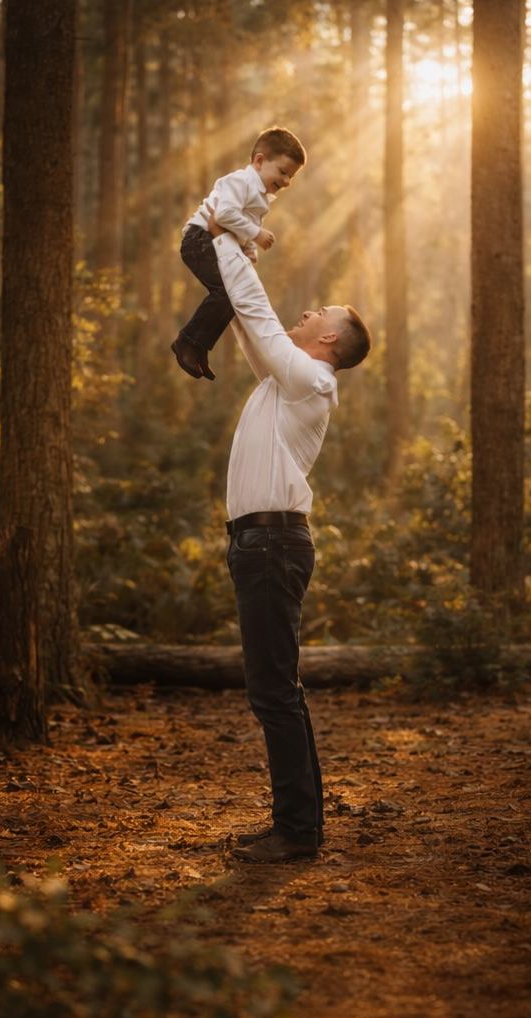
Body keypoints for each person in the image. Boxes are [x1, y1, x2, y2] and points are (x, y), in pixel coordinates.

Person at [202, 207, 372, 864]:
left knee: (274, 690)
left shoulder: (312, 380)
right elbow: (253, 327)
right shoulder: (286, 377)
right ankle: (294, 824)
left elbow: (263, 324)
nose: (304, 314)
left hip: (272, 545)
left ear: (327, 341)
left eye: (315, 314)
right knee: (274, 687)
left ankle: (297, 832)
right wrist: (227, 249)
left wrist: (235, 247)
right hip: (256, 545)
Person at [171, 126, 307, 382]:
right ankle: (186, 341)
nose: (287, 181)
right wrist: (257, 233)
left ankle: (199, 347)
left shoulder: (262, 197)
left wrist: (249, 250)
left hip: (216, 243)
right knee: (227, 293)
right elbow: (223, 215)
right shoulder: (241, 181)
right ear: (259, 161)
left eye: (291, 177)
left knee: (234, 298)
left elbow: (240, 226)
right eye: (282, 172)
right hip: (199, 240)